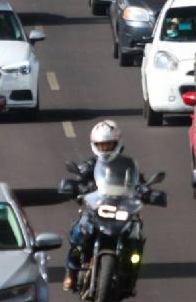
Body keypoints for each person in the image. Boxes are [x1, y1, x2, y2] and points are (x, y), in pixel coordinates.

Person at [63, 120, 141, 291]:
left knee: (136, 233)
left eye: (108, 144)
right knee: (79, 232)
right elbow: (78, 179)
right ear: (95, 145)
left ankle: (130, 271)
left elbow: (139, 182)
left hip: (122, 207)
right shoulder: (89, 165)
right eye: (101, 145)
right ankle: (71, 270)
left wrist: (147, 191)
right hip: (98, 207)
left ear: (117, 143)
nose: (105, 148)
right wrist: (78, 188)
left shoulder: (127, 165)